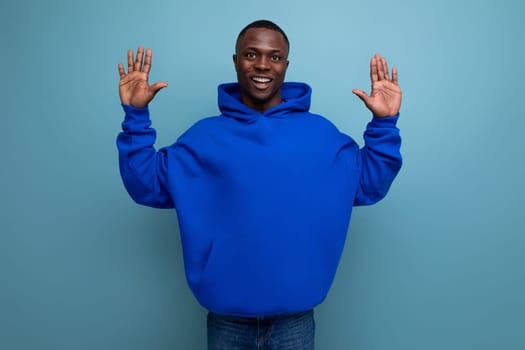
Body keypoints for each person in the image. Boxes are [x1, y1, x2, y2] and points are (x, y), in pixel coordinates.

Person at [117, 20, 402, 350]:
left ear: (285, 65)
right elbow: (147, 184)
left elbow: (370, 183)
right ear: (236, 61)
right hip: (226, 319)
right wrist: (135, 115)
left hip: (295, 318)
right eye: (251, 54)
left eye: (274, 56)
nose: (263, 65)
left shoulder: (320, 136)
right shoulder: (204, 137)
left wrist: (384, 122)